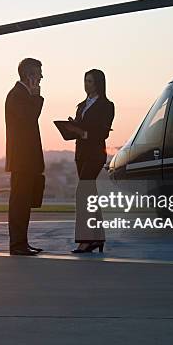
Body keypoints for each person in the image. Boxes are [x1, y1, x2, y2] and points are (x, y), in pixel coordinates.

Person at [65, 69, 115, 253]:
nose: (86, 85)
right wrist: (71, 128)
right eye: (85, 81)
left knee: (83, 193)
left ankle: (86, 240)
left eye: (90, 82)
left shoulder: (107, 105)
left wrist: (81, 132)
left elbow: (102, 133)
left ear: (99, 84)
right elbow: (80, 130)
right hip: (81, 154)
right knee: (90, 194)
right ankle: (97, 238)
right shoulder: (81, 105)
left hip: (95, 154)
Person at [5, 58, 45, 256]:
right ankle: (17, 245)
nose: (41, 78)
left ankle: (22, 243)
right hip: (21, 160)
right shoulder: (17, 96)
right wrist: (36, 97)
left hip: (26, 160)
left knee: (24, 203)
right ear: (29, 76)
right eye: (38, 74)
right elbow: (29, 119)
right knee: (19, 204)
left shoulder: (22, 95)